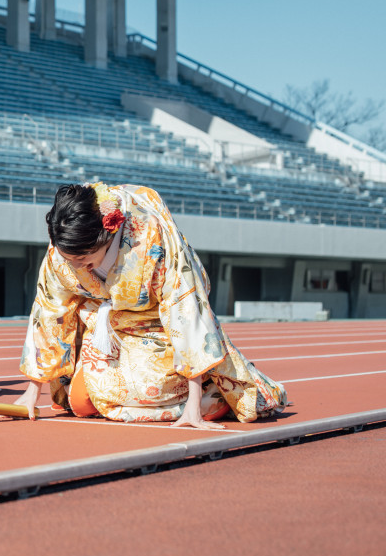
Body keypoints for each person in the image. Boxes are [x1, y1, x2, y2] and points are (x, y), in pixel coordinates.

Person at [14, 182, 287, 429]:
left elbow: (185, 311)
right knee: (80, 401)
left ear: (106, 236)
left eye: (83, 258)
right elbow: (49, 313)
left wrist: (193, 408)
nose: (73, 267)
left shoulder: (152, 239)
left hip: (158, 325)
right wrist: (32, 391)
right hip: (106, 327)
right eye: (68, 258)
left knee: (151, 389)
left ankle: (206, 389)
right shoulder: (62, 248)